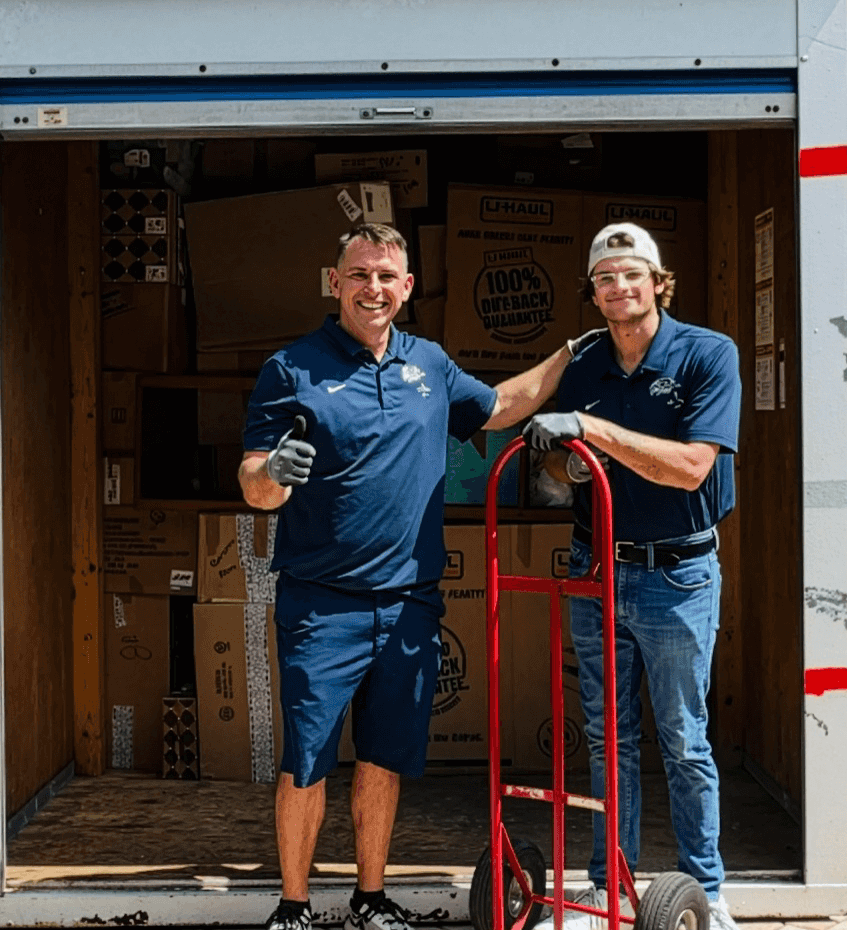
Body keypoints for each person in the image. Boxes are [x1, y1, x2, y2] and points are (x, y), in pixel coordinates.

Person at [240, 222, 596, 930]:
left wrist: (569, 352)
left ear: (406, 288)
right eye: (359, 274)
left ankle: (371, 899)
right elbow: (252, 480)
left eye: (386, 277)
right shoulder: (292, 368)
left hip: (408, 606)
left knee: (383, 759)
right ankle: (293, 905)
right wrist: (273, 473)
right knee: (306, 760)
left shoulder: (429, 365)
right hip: (321, 605)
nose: (373, 288)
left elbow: (498, 409)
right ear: (334, 282)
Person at [521, 223, 741, 930]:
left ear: (657, 281)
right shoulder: (583, 361)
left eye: (632, 275)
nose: (620, 288)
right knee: (605, 735)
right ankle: (607, 885)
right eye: (606, 278)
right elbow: (553, 459)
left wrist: (592, 431)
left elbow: (691, 468)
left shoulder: (708, 353)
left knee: (682, 736)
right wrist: (561, 461)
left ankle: (707, 891)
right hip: (596, 567)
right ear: (593, 293)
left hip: (677, 574)